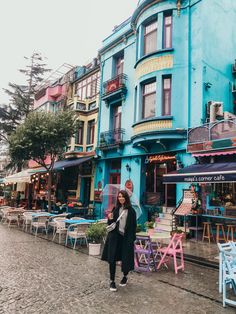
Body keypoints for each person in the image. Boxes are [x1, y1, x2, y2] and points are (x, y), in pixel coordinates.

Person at [101, 190, 137, 292]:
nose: (121, 198)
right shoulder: (115, 209)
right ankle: (112, 281)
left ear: (126, 198)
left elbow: (133, 226)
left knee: (125, 259)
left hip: (125, 239)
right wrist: (110, 218)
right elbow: (110, 223)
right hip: (114, 237)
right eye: (119, 196)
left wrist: (132, 239)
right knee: (112, 259)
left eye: (123, 196)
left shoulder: (131, 211)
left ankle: (125, 276)